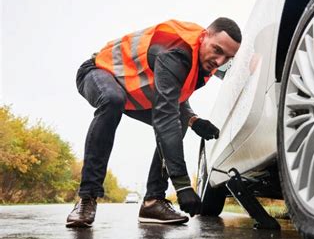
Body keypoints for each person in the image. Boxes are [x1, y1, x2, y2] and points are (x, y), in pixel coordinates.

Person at [66, 18, 241, 227]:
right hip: (97, 72)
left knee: (177, 120)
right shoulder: (175, 51)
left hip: (132, 93)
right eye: (217, 50)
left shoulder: (202, 61)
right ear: (204, 36)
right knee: (113, 101)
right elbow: (164, 118)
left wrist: (193, 120)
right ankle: (87, 198)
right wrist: (183, 185)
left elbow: (175, 99)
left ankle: (153, 202)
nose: (219, 61)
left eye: (227, 58)